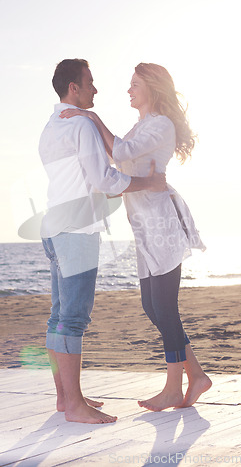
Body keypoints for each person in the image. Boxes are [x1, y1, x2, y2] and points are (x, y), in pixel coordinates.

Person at [59, 62, 212, 412]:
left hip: (161, 224)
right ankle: (197, 375)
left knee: (165, 308)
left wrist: (91, 119)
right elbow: (117, 166)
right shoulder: (143, 124)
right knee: (151, 305)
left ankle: (175, 387)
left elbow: (121, 153)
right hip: (143, 227)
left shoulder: (160, 125)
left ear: (152, 89)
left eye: (134, 84)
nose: (128, 90)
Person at [39, 59, 166, 424]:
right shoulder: (80, 124)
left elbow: (84, 180)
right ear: (73, 89)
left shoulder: (50, 127)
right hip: (76, 232)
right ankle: (74, 406)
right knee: (73, 319)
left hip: (53, 227)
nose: (96, 89)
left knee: (58, 317)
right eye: (90, 83)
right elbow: (105, 180)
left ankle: (66, 398)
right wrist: (148, 184)